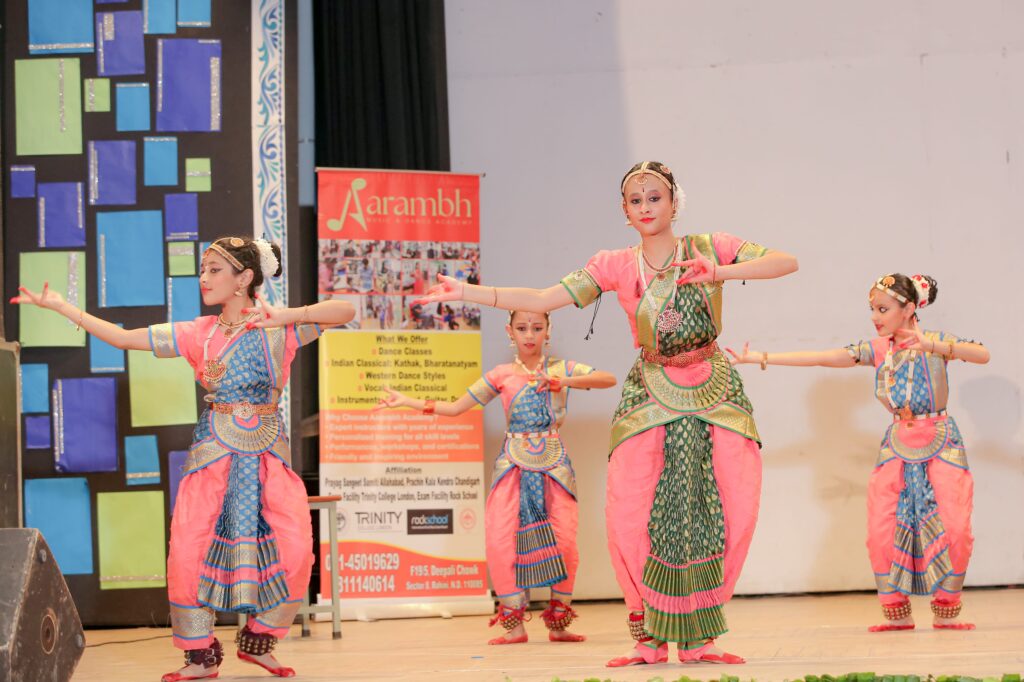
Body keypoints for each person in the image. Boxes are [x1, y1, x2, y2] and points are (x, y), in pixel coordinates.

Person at [414, 161, 798, 665]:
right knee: (630, 515)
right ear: (624, 210)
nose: (645, 207)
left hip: (715, 391)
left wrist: (720, 273)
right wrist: (469, 293)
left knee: (731, 507)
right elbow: (542, 298)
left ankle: (701, 636)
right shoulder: (615, 264)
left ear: (674, 201)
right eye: (635, 200)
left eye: (655, 197)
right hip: (650, 393)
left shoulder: (710, 246)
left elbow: (785, 262)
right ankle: (649, 639)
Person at [13, 236, 355, 681]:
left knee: (295, 550)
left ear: (244, 279)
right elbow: (121, 337)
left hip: (269, 451)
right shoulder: (199, 332)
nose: (204, 278)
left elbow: (345, 310)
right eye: (203, 269)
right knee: (188, 553)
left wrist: (286, 315)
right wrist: (63, 308)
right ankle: (200, 656)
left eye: (215, 269)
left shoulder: (280, 328)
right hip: (213, 449)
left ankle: (259, 641)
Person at [727, 273, 987, 632]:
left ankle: (947, 607)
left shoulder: (938, 342)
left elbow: (982, 354)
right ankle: (896, 610)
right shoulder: (880, 350)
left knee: (955, 527)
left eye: (882, 309)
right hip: (896, 443)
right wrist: (762, 357)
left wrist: (931, 346)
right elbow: (825, 357)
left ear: (909, 308)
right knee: (881, 529)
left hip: (941, 441)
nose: (875, 317)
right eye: (873, 310)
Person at [376, 311, 616, 645]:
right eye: (521, 328)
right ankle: (514, 626)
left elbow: (607, 379)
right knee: (501, 542)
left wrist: (565, 383)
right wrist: (408, 402)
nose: (529, 334)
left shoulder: (561, 369)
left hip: (553, 464)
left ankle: (559, 623)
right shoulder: (501, 374)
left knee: (565, 543)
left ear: (548, 330)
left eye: (536, 327)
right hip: (512, 464)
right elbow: (457, 407)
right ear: (510, 331)